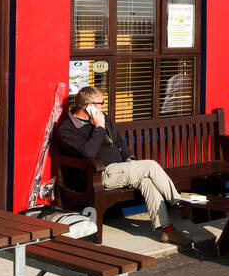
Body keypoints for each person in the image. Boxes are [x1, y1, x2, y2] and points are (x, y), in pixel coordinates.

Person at [57, 87, 196, 247]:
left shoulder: (103, 118)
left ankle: (167, 230)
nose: (103, 106)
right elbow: (87, 153)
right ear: (89, 106)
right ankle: (179, 203)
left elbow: (118, 141)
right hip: (98, 175)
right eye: (101, 103)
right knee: (150, 165)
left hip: (120, 169)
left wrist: (128, 157)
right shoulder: (68, 129)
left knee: (147, 182)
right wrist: (99, 128)